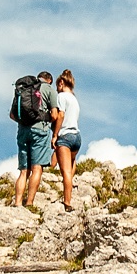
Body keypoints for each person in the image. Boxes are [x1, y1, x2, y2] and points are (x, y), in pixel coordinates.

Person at [11, 71, 58, 207]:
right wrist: (44, 117)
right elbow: (55, 115)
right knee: (37, 168)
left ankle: (17, 202)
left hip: (22, 131)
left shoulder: (23, 88)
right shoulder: (49, 90)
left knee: (24, 171)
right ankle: (29, 203)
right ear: (49, 80)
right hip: (39, 131)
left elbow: (12, 115)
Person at [52, 70, 82, 209]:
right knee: (70, 163)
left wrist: (55, 134)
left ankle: (67, 202)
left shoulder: (61, 96)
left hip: (65, 135)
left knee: (66, 172)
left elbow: (61, 115)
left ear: (61, 83)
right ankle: (68, 187)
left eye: (57, 85)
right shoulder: (74, 99)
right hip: (77, 136)